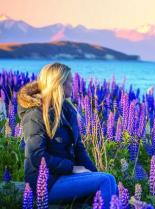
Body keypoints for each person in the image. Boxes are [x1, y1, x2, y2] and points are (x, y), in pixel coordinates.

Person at [17, 62, 117, 208]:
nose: (73, 85)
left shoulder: (67, 110)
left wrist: (94, 174)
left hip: (65, 177)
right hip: (45, 183)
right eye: (70, 81)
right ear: (59, 84)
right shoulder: (36, 114)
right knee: (106, 180)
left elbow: (78, 149)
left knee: (106, 180)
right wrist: (71, 168)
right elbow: (36, 155)